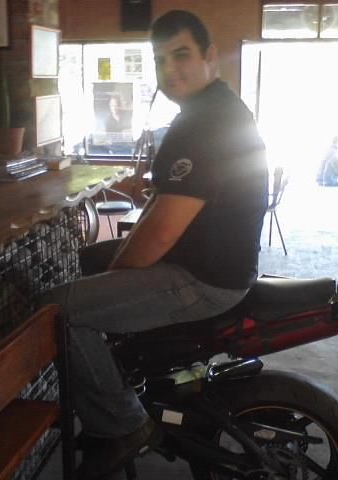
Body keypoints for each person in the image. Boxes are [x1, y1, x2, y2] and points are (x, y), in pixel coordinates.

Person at [39, 10, 268, 479]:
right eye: (160, 60)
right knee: (90, 260)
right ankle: (122, 381)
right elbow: (166, 208)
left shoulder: (203, 124)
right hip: (213, 264)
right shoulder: (214, 111)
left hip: (202, 279)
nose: (170, 70)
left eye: (181, 55)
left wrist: (116, 274)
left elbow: (160, 234)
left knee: (56, 310)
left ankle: (123, 425)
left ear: (209, 56)